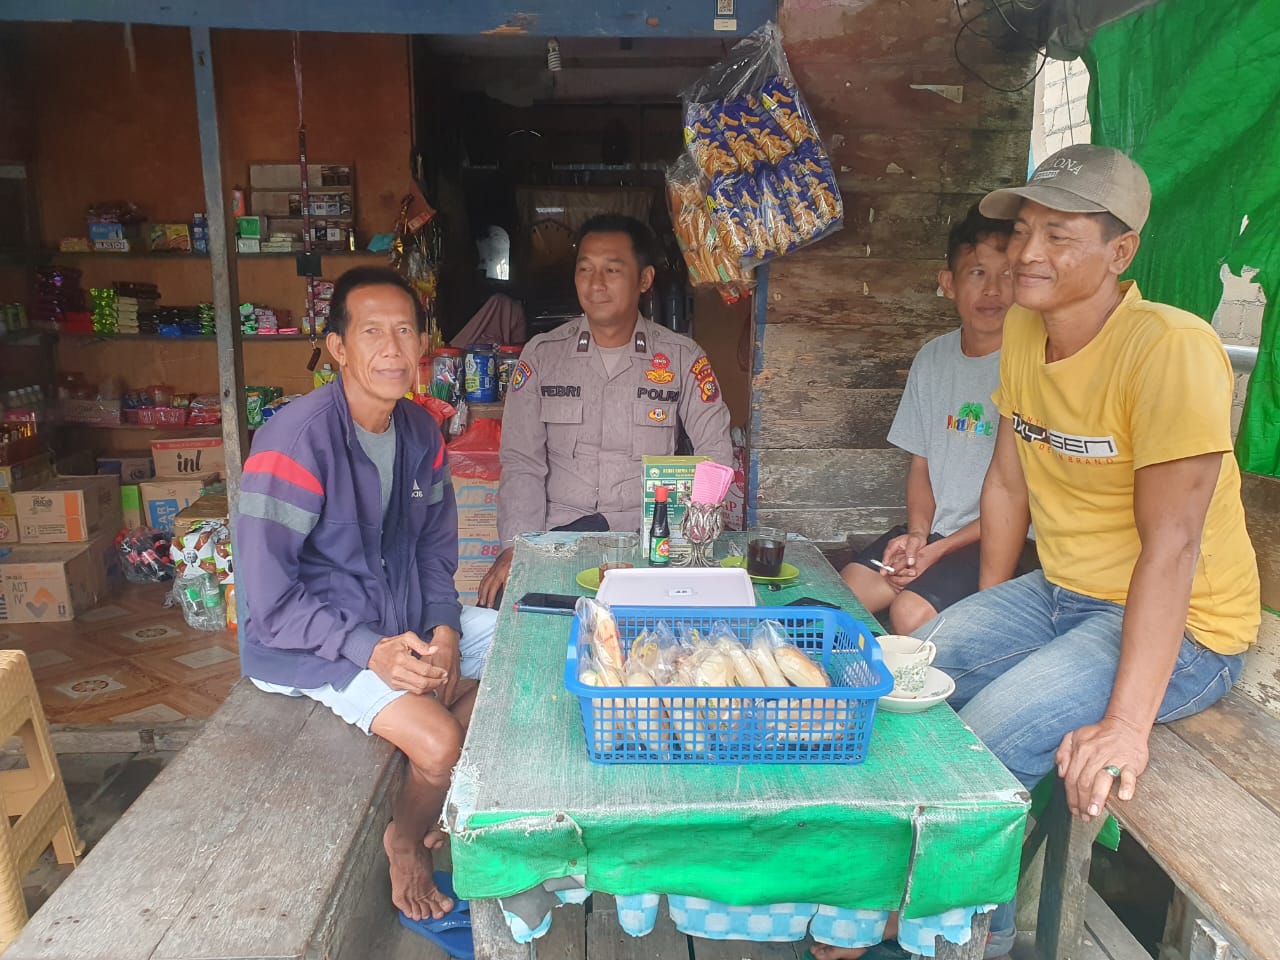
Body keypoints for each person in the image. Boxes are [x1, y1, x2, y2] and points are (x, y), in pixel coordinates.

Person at [816, 145, 1260, 960]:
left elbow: (1174, 548)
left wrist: (1126, 725)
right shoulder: (1027, 332)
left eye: (1060, 235)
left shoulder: (1169, 349)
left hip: (1185, 625)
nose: (1027, 254)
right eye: (1024, 230)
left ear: (1118, 253)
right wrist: (988, 615)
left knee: (988, 732)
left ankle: (945, 920)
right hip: (1064, 592)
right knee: (903, 671)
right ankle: (889, 869)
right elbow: (1007, 489)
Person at [235, 266, 499, 926]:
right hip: (312, 643)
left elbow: (437, 555)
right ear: (338, 349)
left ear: (422, 346)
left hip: (401, 618)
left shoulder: (418, 432)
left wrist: (444, 629)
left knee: (527, 652)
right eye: (372, 332)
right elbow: (268, 599)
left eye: (405, 331)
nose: (392, 349)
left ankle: (437, 798)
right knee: (438, 742)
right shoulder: (294, 442)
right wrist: (369, 651)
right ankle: (405, 841)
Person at [476, 214, 733, 606]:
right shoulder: (543, 355)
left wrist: (690, 541)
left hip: (649, 543)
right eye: (585, 270)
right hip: (558, 540)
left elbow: (715, 456)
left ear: (644, 280)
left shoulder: (681, 357)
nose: (596, 284)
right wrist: (517, 546)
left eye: (612, 270)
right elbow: (522, 462)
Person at [840, 205, 1019, 635]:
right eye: (977, 273)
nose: (992, 290)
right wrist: (918, 537)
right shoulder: (933, 358)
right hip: (936, 533)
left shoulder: (1025, 363)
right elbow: (920, 465)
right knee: (848, 594)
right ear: (948, 284)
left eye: (1007, 273)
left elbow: (1018, 499)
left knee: (909, 613)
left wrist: (936, 553)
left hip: (995, 542)